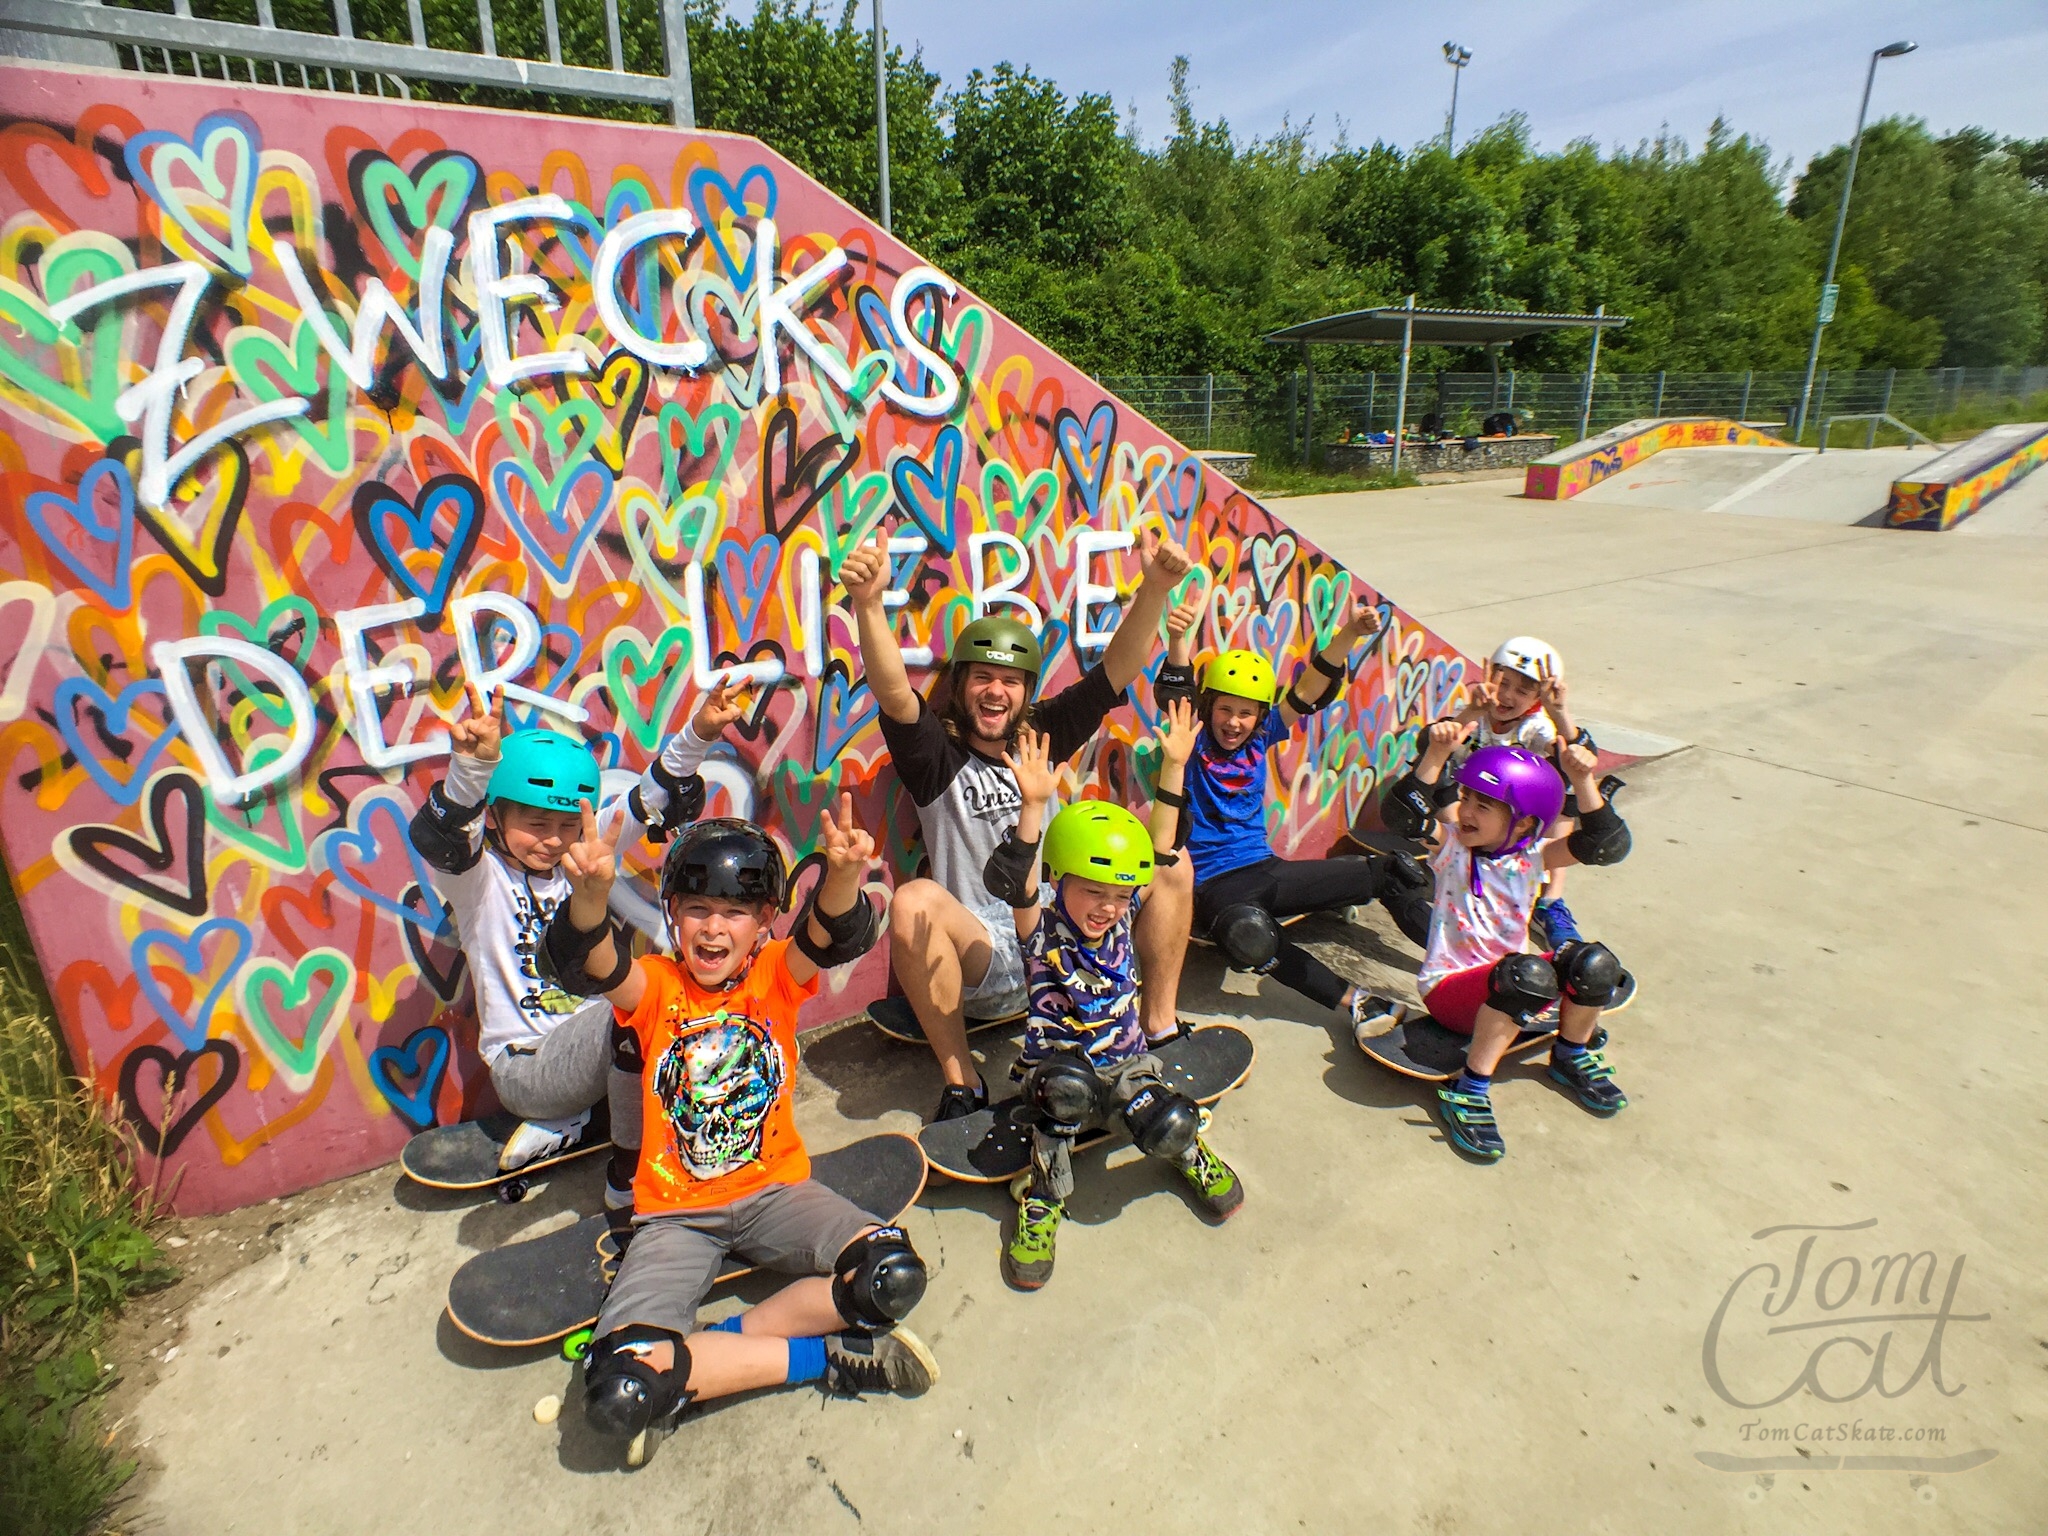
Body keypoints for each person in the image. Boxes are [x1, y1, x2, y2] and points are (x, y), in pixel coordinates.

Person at [537, 795, 936, 1454]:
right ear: (672, 915)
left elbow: (829, 932)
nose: (714, 930)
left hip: (778, 1194)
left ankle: (702, 1359)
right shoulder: (655, 988)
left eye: (734, 913)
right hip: (675, 1217)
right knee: (620, 1394)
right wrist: (589, 896)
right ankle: (820, 1358)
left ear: (764, 922)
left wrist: (840, 876)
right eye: (696, 910)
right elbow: (586, 959)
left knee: (891, 1274)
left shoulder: (777, 976)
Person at [840, 526, 1197, 1121]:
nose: (995, 690)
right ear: (960, 688)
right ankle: (963, 1082)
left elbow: (1115, 670)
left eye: (1010, 680)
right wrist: (870, 604)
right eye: (981, 676)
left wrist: (1155, 590)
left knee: (1171, 864)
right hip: (989, 952)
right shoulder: (936, 755)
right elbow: (894, 690)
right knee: (913, 901)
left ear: (1026, 692)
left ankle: (1158, 1027)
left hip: (1068, 938)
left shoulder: (1041, 735)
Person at [407, 685, 740, 1214]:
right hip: (526, 1070)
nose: (554, 841)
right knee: (639, 1003)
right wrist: (472, 768)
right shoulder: (478, 882)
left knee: (679, 997)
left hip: (595, 1061)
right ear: (495, 816)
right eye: (536, 824)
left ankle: (608, 1124)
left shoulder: (581, 854)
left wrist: (699, 731)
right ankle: (629, 1183)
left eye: (567, 826)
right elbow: (444, 838)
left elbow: (650, 796)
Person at [982, 707, 1243, 1289]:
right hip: (1058, 1074)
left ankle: (1186, 1151)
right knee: (1063, 1095)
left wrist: (1174, 765)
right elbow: (1017, 881)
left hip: (1126, 1064)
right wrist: (1031, 807)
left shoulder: (1122, 921)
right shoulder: (1041, 931)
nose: (1106, 906)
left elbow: (1163, 849)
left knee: (1170, 1120)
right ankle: (1044, 1200)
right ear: (1061, 883)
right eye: (1092, 892)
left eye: (1119, 895)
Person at [1154, 592, 1428, 1027]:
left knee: (1396, 872)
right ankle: (1358, 1003)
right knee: (1250, 935)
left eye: (1246, 713)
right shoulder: (1191, 741)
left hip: (1265, 869)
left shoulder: (1262, 736)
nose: (1233, 722)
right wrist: (1178, 639)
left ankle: (1461, 966)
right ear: (1209, 708)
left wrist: (1350, 634)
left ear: (1260, 716)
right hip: (1213, 887)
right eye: (1224, 709)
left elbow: (1308, 689)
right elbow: (1176, 693)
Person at [1366, 727, 1636, 1162]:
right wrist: (1437, 752)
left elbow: (1608, 845)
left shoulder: (1535, 856)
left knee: (1594, 963)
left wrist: (1584, 781)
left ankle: (1570, 1055)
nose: (1467, 810)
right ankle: (1468, 1089)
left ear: (1525, 822)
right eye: (1468, 798)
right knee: (1526, 974)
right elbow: (1401, 813)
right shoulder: (1453, 846)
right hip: (1451, 991)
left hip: (1516, 985)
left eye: (1484, 805)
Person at [1447, 637, 1598, 947]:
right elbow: (1433, 745)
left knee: (1563, 793)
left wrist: (1560, 716)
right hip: (1473, 809)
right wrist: (1465, 717)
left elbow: (1576, 754)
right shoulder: (1476, 713)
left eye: (1522, 690)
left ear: (1538, 699)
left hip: (1516, 818)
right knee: (1444, 784)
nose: (1506, 695)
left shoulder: (1538, 728)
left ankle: (1551, 902)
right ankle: (1453, 862)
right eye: (1503, 682)